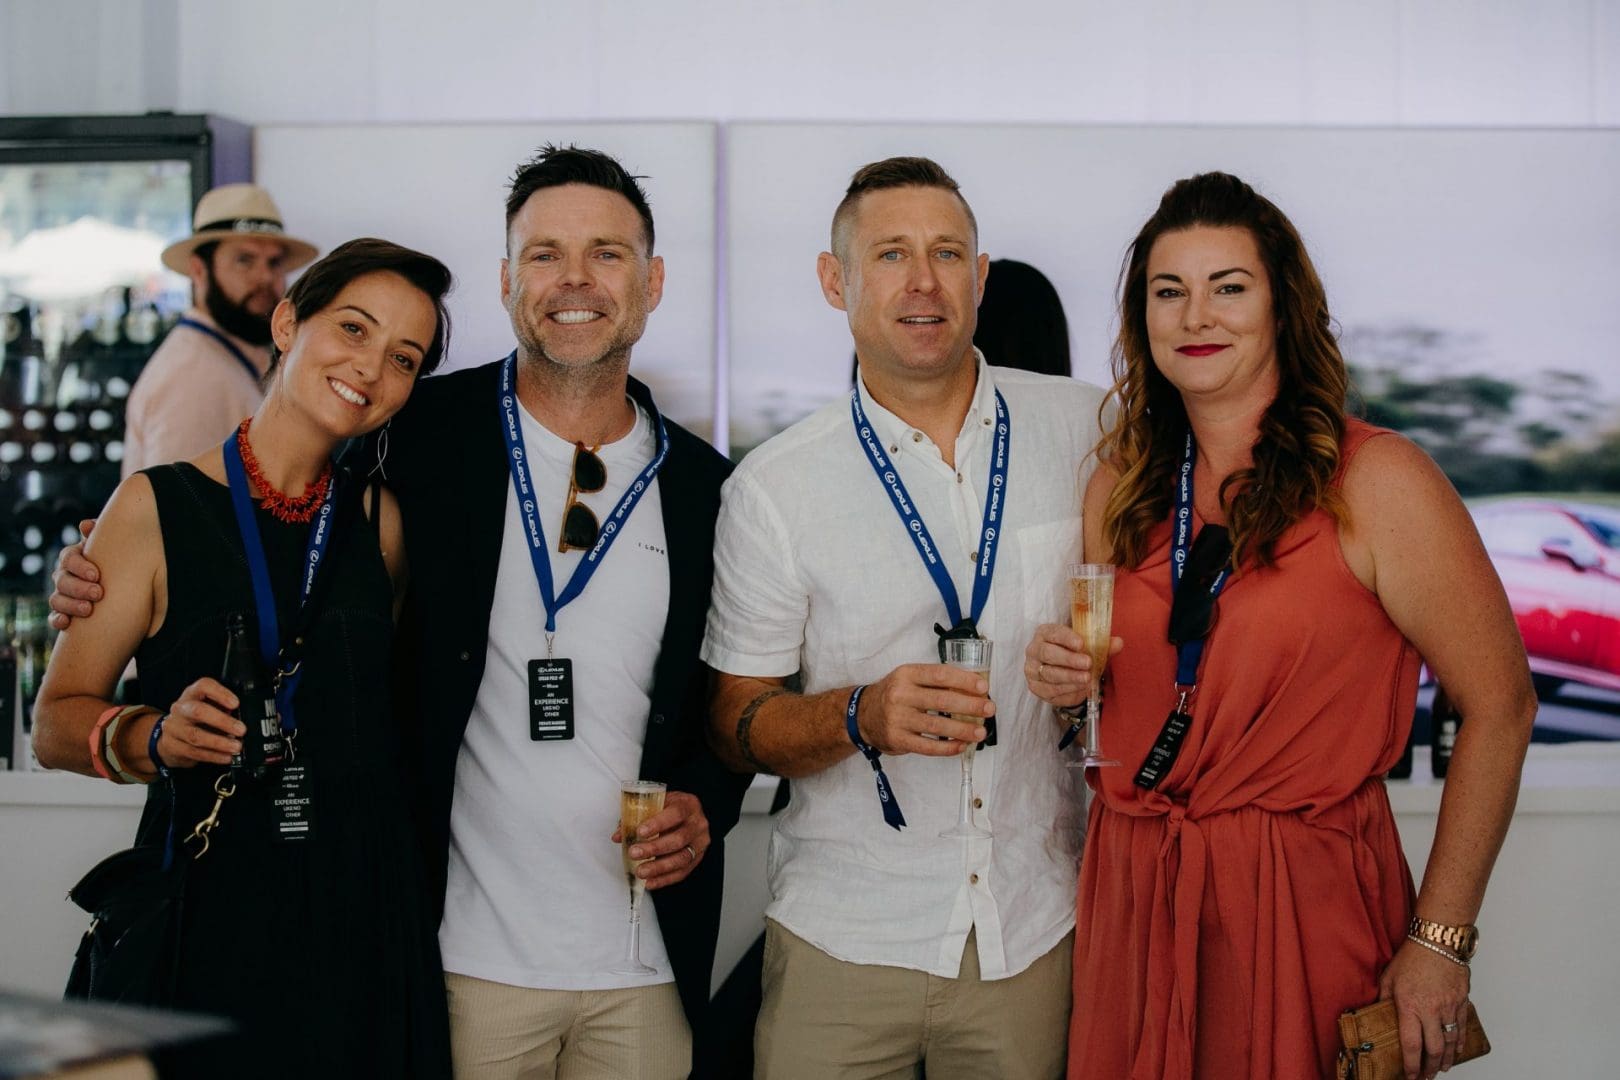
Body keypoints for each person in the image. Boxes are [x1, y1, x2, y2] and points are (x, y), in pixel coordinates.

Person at [51, 147, 750, 1079]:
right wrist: (104, 561)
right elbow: (249, 517)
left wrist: (707, 801)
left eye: (607, 254)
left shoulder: (706, 488)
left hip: (632, 958)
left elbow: (729, 695)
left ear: (652, 282)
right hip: (443, 949)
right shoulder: (419, 437)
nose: (575, 279)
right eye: (545, 254)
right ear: (508, 281)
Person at [1020, 172, 1535, 1080]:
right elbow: (1123, 703)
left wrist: (1441, 940)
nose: (1196, 316)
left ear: (1282, 308)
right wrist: (1068, 688)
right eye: (1169, 292)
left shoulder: (1377, 481)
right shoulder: (1121, 487)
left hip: (1302, 894)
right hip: (1136, 888)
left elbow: (1503, 705)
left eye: (1229, 287)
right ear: (1142, 320)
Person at [703, 156, 1108, 1079]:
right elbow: (734, 721)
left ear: (981, 277)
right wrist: (860, 714)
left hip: (1032, 931)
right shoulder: (775, 487)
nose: (924, 281)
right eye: (891, 254)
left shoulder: (1089, 430)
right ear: (834, 279)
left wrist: (1096, 676)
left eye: (947, 253)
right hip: (844, 939)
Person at [33, 238, 455, 1078]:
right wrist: (152, 736)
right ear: (288, 323)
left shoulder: (384, 524)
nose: (371, 368)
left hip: (362, 914)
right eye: (354, 328)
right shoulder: (154, 507)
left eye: (404, 358)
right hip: (211, 903)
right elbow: (54, 724)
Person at [122, 183, 318, 476]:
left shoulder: (225, 354)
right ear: (199, 270)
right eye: (244, 260)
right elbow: (180, 502)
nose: (265, 277)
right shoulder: (190, 379)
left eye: (274, 262)